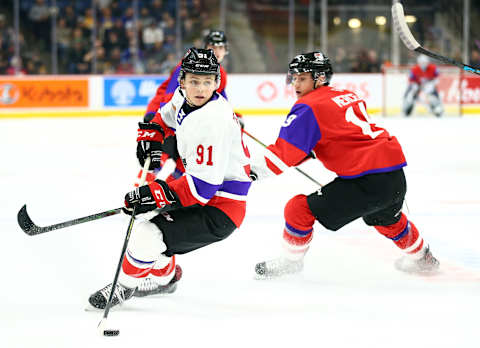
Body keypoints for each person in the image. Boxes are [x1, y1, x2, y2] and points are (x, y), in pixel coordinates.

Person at [251, 51, 440, 279]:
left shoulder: (308, 106)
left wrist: (249, 171)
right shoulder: (346, 95)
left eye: (302, 78)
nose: (296, 84)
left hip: (367, 180)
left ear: (319, 78)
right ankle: (423, 258)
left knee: (298, 209)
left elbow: (283, 155)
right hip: (393, 176)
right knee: (386, 219)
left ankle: (290, 263)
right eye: (294, 78)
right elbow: (340, 137)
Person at [88, 48, 251, 309]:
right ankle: (166, 278)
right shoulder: (184, 98)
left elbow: (203, 188)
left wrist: (153, 194)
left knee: (146, 233)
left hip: (221, 209)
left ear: (216, 83)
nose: (201, 88)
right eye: (194, 81)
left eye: (208, 82)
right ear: (182, 81)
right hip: (205, 193)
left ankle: (123, 287)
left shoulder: (212, 120)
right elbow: (165, 118)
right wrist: (151, 136)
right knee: (148, 222)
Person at [135, 29, 241, 186]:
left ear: (226, 51)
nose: (216, 51)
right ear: (205, 47)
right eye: (212, 46)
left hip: (186, 118)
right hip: (163, 112)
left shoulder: (220, 75)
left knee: (185, 160)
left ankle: (170, 190)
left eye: (220, 47)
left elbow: (220, 100)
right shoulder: (189, 65)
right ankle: (143, 186)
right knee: (162, 153)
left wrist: (235, 118)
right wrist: (170, 125)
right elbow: (171, 97)